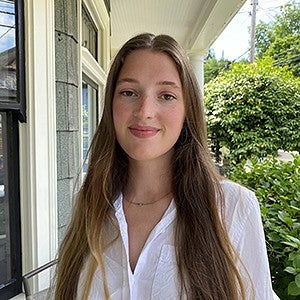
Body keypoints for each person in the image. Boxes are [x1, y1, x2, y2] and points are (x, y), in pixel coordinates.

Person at [54, 33, 274, 299]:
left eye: (167, 95)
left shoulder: (233, 207)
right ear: (111, 104)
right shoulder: (89, 203)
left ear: (187, 110)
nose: (145, 110)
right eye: (128, 92)